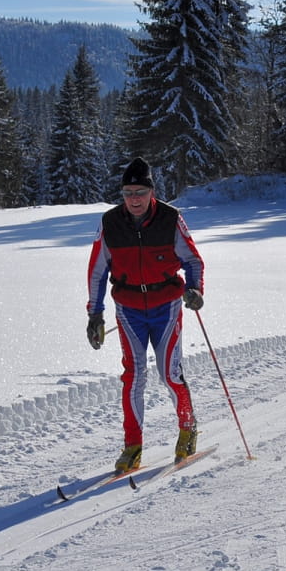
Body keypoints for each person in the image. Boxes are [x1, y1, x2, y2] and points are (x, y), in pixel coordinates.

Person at [86, 158, 206, 472]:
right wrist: (95, 314)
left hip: (166, 308)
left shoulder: (170, 218)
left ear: (152, 191)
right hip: (128, 311)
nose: (134, 198)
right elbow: (97, 272)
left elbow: (194, 261)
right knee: (133, 377)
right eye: (128, 192)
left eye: (140, 191)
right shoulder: (110, 222)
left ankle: (187, 428)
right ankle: (132, 446)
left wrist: (195, 290)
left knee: (169, 374)